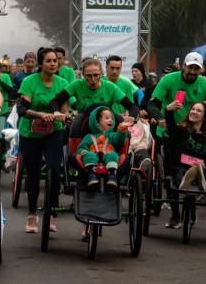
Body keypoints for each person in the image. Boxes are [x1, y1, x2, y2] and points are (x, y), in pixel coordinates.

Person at [148, 51, 206, 228]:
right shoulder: (169, 80)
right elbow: (152, 103)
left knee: (197, 163)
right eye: (190, 67)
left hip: (194, 136)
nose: (192, 71)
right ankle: (176, 214)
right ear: (184, 66)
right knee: (169, 175)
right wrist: (160, 117)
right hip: (171, 133)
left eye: (196, 69)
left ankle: (191, 206)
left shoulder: (205, 84)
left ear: (201, 70)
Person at [16, 47, 68, 233]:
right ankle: (31, 214)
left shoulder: (62, 83)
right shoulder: (29, 82)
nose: (53, 63)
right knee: (34, 173)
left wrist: (63, 115)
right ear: (40, 64)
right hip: (30, 133)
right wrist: (40, 115)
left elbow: (65, 108)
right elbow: (22, 109)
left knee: (54, 170)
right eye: (49, 61)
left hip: (54, 132)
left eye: (55, 60)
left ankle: (51, 212)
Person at [163, 101, 206, 228]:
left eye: (198, 110)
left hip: (204, 170)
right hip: (181, 168)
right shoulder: (182, 131)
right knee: (178, 173)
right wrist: (168, 111)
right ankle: (175, 214)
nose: (194, 112)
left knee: (200, 170)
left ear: (205, 117)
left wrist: (204, 165)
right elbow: (171, 127)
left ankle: (197, 174)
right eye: (193, 109)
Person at [49, 58, 137, 116]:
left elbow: (132, 106)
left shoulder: (110, 87)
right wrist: (56, 112)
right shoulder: (77, 84)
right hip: (83, 123)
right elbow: (54, 101)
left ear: (101, 73)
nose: (93, 79)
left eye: (96, 75)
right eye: (88, 76)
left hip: (106, 125)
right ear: (82, 75)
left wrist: (132, 117)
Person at [76, 107, 132, 188]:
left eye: (111, 118)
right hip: (93, 157)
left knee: (112, 155)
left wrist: (122, 129)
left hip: (108, 157)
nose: (110, 120)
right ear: (97, 122)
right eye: (107, 118)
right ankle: (91, 175)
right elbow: (81, 148)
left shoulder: (112, 135)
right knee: (88, 155)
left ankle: (112, 175)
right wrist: (84, 152)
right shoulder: (89, 137)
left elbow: (119, 140)